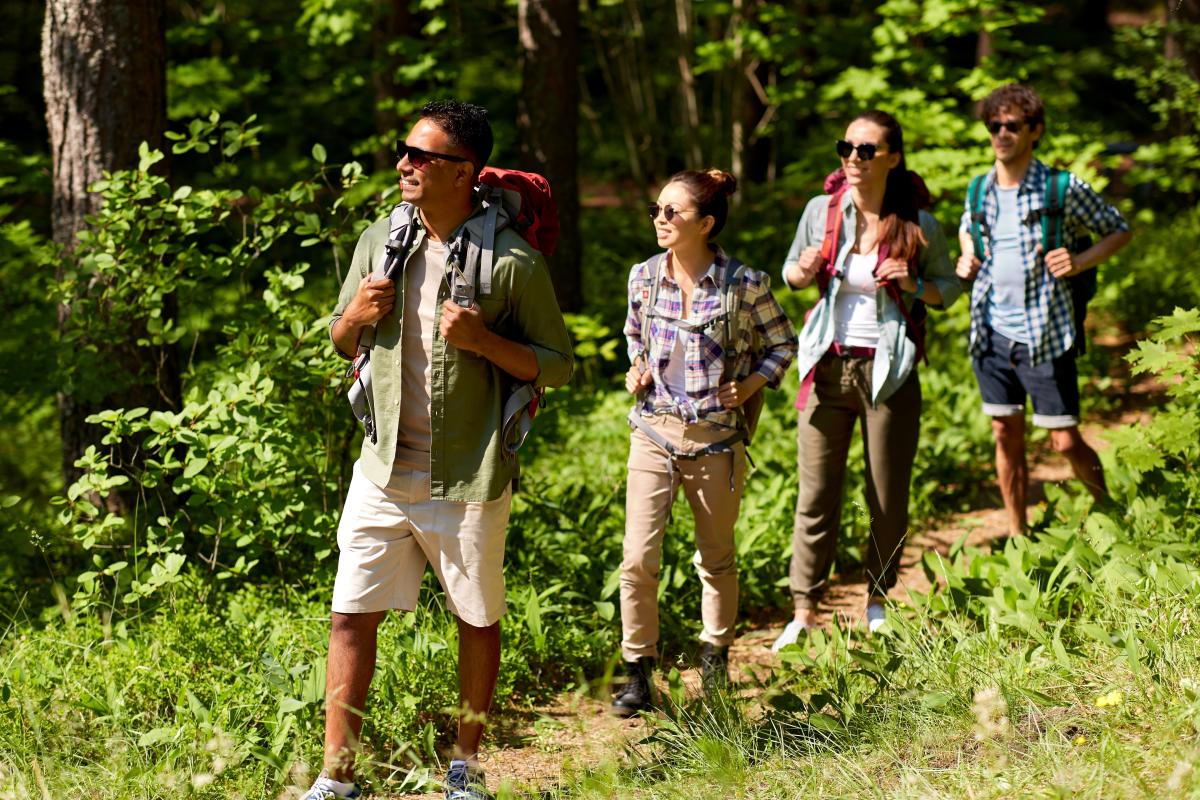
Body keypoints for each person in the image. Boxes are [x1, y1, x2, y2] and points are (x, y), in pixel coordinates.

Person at [303, 100, 573, 800]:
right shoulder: (378, 241)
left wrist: (483, 342)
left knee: (476, 619)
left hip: (471, 474)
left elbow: (559, 362)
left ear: (462, 172)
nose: (403, 165)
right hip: (382, 468)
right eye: (405, 151)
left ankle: (466, 769)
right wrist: (354, 319)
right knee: (347, 614)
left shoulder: (512, 261)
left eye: (420, 157)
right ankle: (337, 777)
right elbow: (340, 337)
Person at [772, 110, 961, 650]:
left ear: (892, 158)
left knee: (886, 496)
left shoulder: (918, 222)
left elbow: (947, 289)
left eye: (867, 149)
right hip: (828, 367)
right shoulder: (820, 211)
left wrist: (915, 281)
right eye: (846, 147)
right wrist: (802, 271)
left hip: (890, 372)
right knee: (815, 494)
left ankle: (877, 600)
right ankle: (804, 610)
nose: (853, 158)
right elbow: (790, 270)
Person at [613, 169, 797, 715]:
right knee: (637, 558)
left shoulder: (745, 284)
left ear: (707, 223)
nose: (660, 219)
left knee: (715, 557)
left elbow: (782, 344)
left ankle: (714, 657)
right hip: (652, 431)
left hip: (716, 439)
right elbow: (633, 335)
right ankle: (637, 673)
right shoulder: (643, 277)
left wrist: (753, 384)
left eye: (673, 212)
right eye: (656, 209)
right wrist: (637, 368)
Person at [956, 84, 1131, 538]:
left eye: (1012, 125)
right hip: (991, 333)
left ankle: (1110, 514)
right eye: (994, 125)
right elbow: (967, 232)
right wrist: (965, 257)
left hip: (1046, 333)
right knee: (1003, 434)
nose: (1001, 133)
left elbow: (1118, 230)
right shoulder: (979, 190)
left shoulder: (1062, 187)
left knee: (1063, 439)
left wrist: (1080, 261)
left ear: (1035, 130)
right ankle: (1019, 534)